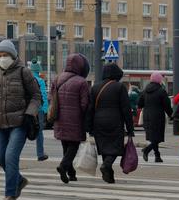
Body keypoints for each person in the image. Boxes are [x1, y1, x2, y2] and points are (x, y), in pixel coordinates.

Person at [0, 40, 40, 200]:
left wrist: (29, 114)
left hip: (19, 123)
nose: (2, 58)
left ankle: (10, 195)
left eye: (5, 55)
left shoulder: (24, 72)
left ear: (13, 56)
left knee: (10, 157)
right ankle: (19, 180)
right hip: (0, 124)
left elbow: (36, 97)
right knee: (0, 158)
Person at [86, 63, 134, 183]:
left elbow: (90, 109)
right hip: (115, 121)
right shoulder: (119, 87)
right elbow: (126, 109)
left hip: (98, 122)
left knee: (104, 147)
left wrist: (89, 126)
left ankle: (109, 175)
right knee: (116, 147)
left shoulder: (95, 88)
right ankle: (106, 165)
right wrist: (130, 128)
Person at [51, 53, 91, 184]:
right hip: (75, 120)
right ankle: (63, 166)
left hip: (59, 118)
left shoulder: (57, 79)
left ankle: (71, 173)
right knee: (73, 146)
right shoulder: (82, 82)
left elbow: (52, 99)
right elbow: (84, 104)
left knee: (66, 146)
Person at [138, 71, 172, 162]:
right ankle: (147, 150)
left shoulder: (145, 91)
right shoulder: (161, 91)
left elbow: (139, 104)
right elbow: (167, 105)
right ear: (159, 80)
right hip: (157, 117)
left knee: (153, 137)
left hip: (147, 116)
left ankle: (157, 156)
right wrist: (171, 115)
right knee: (157, 137)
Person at [33, 71, 50, 161]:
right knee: (39, 131)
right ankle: (40, 154)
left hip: (26, 109)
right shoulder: (40, 81)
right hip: (38, 109)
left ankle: (14, 155)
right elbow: (43, 95)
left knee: (22, 132)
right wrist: (45, 109)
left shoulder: (25, 78)